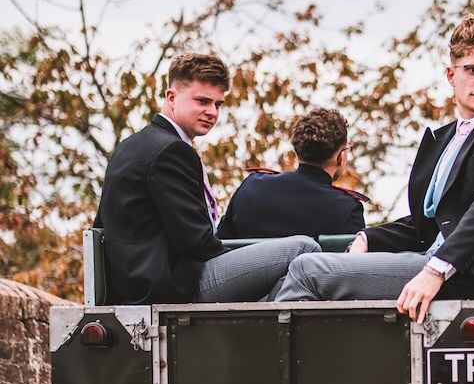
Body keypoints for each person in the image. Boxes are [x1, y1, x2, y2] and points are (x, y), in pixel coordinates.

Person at [275, 14, 474, 322]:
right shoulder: (444, 138)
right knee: (287, 273)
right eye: (473, 70)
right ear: (451, 75)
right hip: (429, 259)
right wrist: (367, 238)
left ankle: (271, 354)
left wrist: (435, 271)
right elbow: (427, 223)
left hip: (469, 272)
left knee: (306, 270)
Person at [94, 53, 318, 305]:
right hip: (171, 287)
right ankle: (267, 327)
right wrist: (237, 260)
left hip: (138, 285)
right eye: (202, 101)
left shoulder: (133, 145)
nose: (211, 112)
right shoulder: (170, 151)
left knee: (282, 276)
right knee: (304, 248)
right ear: (171, 97)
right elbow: (195, 241)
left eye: (218, 104)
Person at [216, 108, 366, 240]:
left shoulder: (252, 186)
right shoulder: (347, 208)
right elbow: (353, 261)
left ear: (297, 151)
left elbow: (221, 244)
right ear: (340, 157)